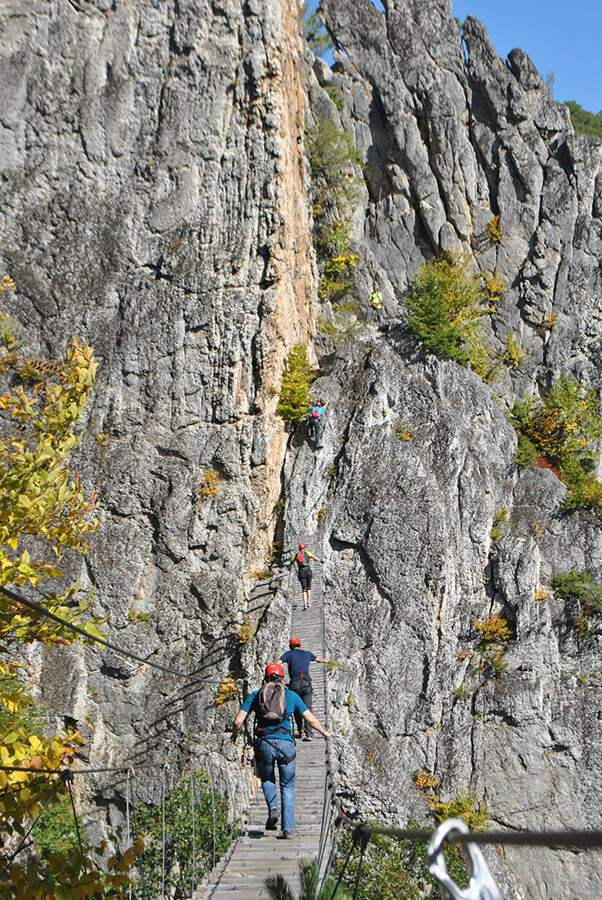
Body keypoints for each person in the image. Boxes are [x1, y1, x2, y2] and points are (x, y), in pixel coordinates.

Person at [231, 662, 329, 839]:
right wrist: (324, 732)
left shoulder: (256, 695)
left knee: (267, 779)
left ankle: (273, 809)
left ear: (265, 678)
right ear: (283, 678)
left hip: (264, 744)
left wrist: (235, 735)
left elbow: (238, 721)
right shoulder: (290, 695)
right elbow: (310, 719)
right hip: (286, 746)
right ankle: (288, 829)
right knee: (287, 786)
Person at [278, 638, 327, 741]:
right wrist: (327, 661)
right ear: (300, 645)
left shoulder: (288, 654)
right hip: (306, 683)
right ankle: (309, 734)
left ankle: (300, 731)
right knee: (307, 708)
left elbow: (278, 663)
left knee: (296, 707)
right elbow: (318, 659)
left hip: (294, 683)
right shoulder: (307, 654)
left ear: (291, 646)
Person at [290, 543, 322, 610]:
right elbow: (314, 557)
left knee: (304, 589)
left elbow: (291, 562)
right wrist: (321, 561)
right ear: (304, 548)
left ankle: (304, 605)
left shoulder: (296, 555)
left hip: (301, 572)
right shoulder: (307, 553)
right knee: (309, 587)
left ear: (299, 548)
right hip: (308, 571)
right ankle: (308, 602)